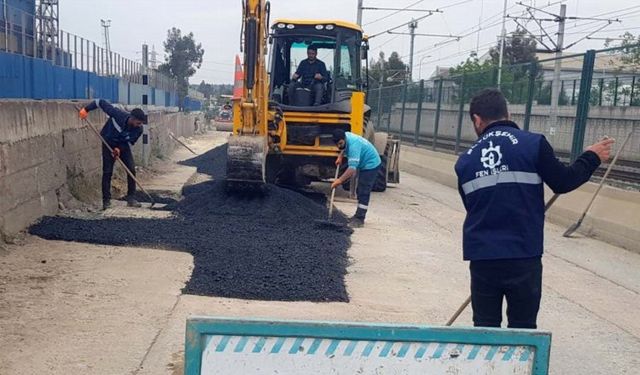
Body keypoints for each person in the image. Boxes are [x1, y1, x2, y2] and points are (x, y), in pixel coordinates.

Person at [454, 89, 614, 329]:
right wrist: (591, 157)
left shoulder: (465, 161)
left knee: (485, 329)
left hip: (483, 257)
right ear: (507, 113)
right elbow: (563, 181)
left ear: (477, 120)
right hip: (523, 254)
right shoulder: (533, 144)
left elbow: (473, 206)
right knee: (523, 327)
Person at [79, 99, 147, 210]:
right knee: (107, 171)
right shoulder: (117, 114)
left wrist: (119, 149)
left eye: (140, 124)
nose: (139, 125)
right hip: (108, 143)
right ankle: (106, 201)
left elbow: (129, 142)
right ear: (132, 118)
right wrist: (86, 109)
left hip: (123, 146)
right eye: (138, 123)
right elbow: (99, 102)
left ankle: (131, 198)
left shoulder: (138, 130)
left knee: (131, 169)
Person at [331, 129, 381, 228]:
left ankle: (360, 219)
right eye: (337, 144)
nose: (339, 146)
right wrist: (340, 156)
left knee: (363, 190)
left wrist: (339, 180)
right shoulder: (346, 136)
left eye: (340, 143)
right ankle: (357, 215)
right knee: (360, 190)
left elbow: (352, 169)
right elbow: (343, 147)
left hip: (371, 164)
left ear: (344, 139)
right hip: (364, 163)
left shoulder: (354, 145)